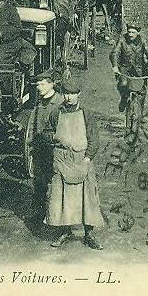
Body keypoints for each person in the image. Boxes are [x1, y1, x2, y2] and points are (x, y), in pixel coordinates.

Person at [44, 75, 104, 249]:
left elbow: (94, 138)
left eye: (73, 93)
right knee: (62, 198)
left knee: (87, 198)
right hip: (62, 160)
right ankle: (65, 232)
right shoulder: (56, 112)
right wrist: (55, 137)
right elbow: (47, 133)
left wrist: (87, 158)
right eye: (66, 93)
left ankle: (89, 234)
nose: (69, 97)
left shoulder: (86, 113)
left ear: (79, 94)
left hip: (81, 160)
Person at [28, 69, 63, 220]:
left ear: (51, 84)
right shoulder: (39, 102)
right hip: (40, 148)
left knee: (56, 182)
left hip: (55, 149)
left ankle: (58, 216)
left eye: (42, 84)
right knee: (39, 181)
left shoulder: (60, 102)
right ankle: (39, 212)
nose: (38, 87)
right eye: (37, 84)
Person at [109, 16, 148, 113]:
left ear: (138, 33)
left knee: (142, 91)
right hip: (124, 67)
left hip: (139, 68)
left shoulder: (143, 40)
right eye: (129, 32)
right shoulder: (122, 39)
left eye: (133, 32)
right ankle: (123, 99)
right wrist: (115, 66)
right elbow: (115, 53)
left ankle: (140, 112)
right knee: (123, 84)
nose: (130, 34)